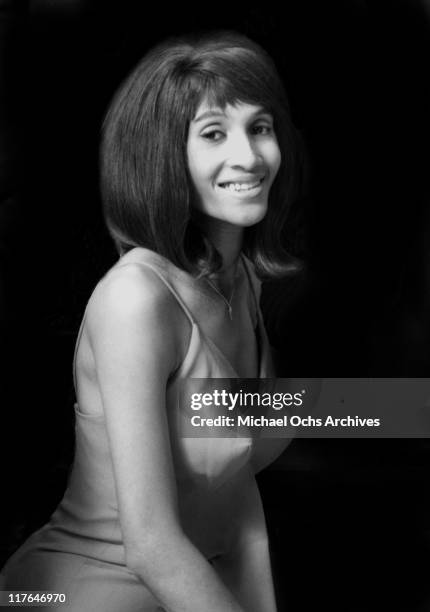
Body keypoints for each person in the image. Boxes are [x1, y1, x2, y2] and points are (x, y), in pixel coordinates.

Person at [0, 30, 299, 611]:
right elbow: (150, 545)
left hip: (197, 585)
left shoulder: (242, 281)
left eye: (260, 128)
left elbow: (245, 425)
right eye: (214, 133)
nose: (250, 156)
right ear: (162, 155)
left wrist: (409, 410)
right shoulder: (136, 299)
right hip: (85, 590)